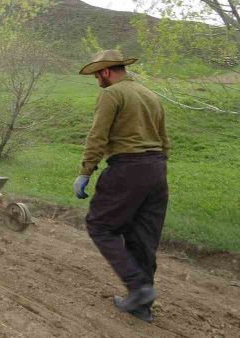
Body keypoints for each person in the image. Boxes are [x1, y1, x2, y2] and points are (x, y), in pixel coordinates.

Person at [73, 49, 170, 323]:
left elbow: (98, 136)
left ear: (105, 72)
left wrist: (85, 171)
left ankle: (138, 288)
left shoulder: (111, 94)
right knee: (144, 238)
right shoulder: (150, 95)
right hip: (157, 170)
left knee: (100, 226)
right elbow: (164, 139)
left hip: (127, 168)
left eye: (96, 75)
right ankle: (142, 306)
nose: (97, 81)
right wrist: (156, 168)